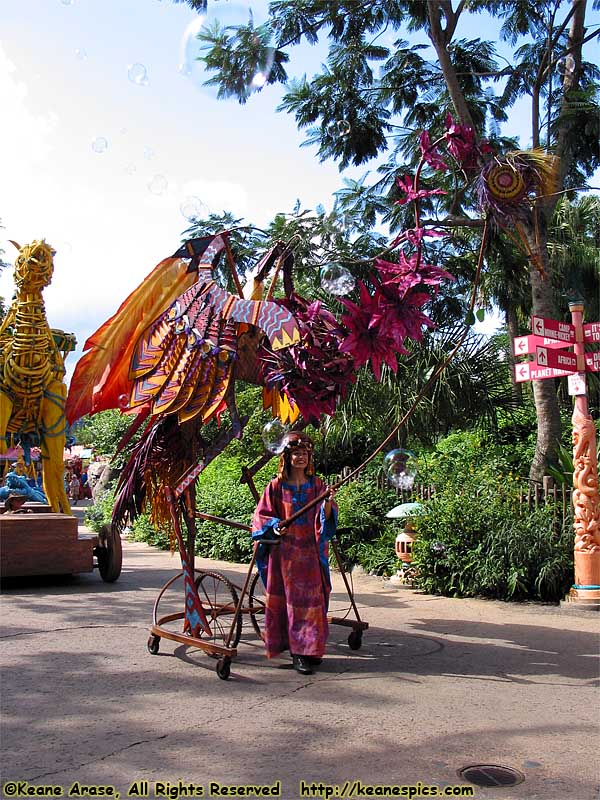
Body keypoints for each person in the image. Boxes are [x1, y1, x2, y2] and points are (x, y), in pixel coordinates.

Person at [251, 431, 338, 675]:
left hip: (311, 553)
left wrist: (328, 503)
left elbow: (326, 519)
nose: (301, 457)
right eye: (296, 453)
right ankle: (299, 653)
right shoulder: (276, 487)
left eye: (305, 454)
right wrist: (274, 525)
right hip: (286, 557)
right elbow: (262, 517)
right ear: (287, 457)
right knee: (292, 603)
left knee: (314, 602)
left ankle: (312, 648)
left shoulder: (317, 485)